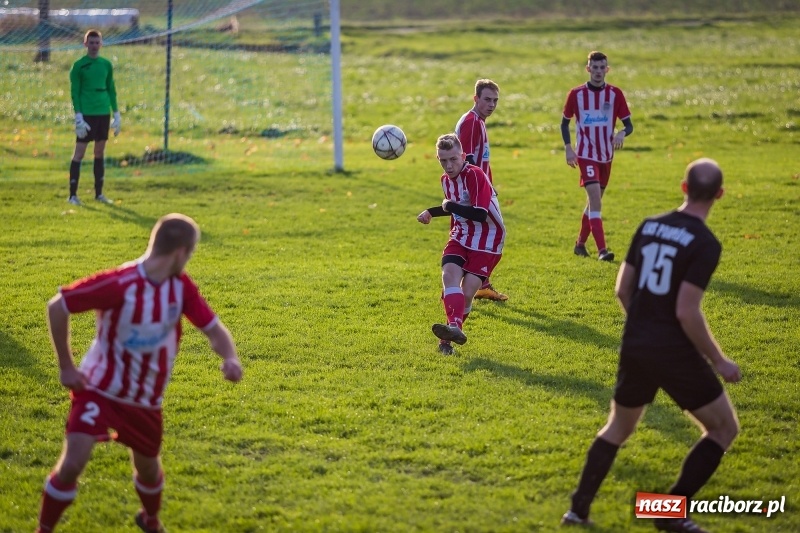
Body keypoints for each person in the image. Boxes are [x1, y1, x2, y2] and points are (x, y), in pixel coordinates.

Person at [561, 159, 741, 533]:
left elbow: (622, 290)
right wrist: (720, 361)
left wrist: (643, 329)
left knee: (618, 428)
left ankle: (577, 511)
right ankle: (668, 512)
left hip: (636, 343)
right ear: (720, 195)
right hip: (673, 351)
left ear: (683, 187)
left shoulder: (650, 226)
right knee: (724, 429)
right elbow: (687, 312)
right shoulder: (706, 243)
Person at [37, 213, 243, 533]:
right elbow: (58, 305)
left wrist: (231, 357)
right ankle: (44, 529)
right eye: (190, 254)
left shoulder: (182, 288)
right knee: (73, 463)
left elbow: (213, 329)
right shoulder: (120, 283)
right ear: (180, 252)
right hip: (99, 388)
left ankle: (151, 521)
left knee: (147, 468)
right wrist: (66, 366)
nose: (188, 260)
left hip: (145, 399)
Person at [417, 133, 506, 355]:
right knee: (449, 277)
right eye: (443, 160)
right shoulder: (445, 180)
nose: (448, 166)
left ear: (463, 156)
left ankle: (452, 332)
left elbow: (479, 213)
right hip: (461, 234)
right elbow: (453, 206)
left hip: (487, 240)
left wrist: (448, 207)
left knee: (467, 294)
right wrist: (431, 211)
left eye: (453, 159)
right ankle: (449, 337)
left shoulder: (475, 175)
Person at [561, 51, 633, 261]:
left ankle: (580, 245)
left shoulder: (615, 94)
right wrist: (568, 148)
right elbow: (564, 123)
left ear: (607, 70)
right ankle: (602, 250)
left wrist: (621, 132)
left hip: (606, 156)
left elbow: (629, 124)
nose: (599, 71)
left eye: (602, 68)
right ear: (588, 69)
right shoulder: (576, 94)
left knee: (594, 202)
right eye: (595, 67)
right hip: (585, 155)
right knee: (595, 200)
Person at [455, 78, 508, 301]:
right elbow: (466, 160)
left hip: (479, 189)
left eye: (495, 100)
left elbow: (480, 159)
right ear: (475, 99)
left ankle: (481, 285)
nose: (492, 104)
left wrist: (489, 182)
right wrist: (479, 189)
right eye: (487, 99)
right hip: (472, 193)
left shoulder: (478, 121)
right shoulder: (472, 122)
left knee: (478, 237)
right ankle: (466, 286)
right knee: (495, 234)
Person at [68, 29, 121, 206]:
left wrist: (117, 114)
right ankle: (72, 196)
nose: (94, 46)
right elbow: (74, 92)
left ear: (101, 44)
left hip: (103, 113)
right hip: (86, 115)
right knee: (79, 153)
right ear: (85, 44)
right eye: (91, 42)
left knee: (99, 152)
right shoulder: (78, 66)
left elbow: (111, 89)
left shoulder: (106, 64)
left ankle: (99, 194)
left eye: (97, 42)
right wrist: (78, 116)